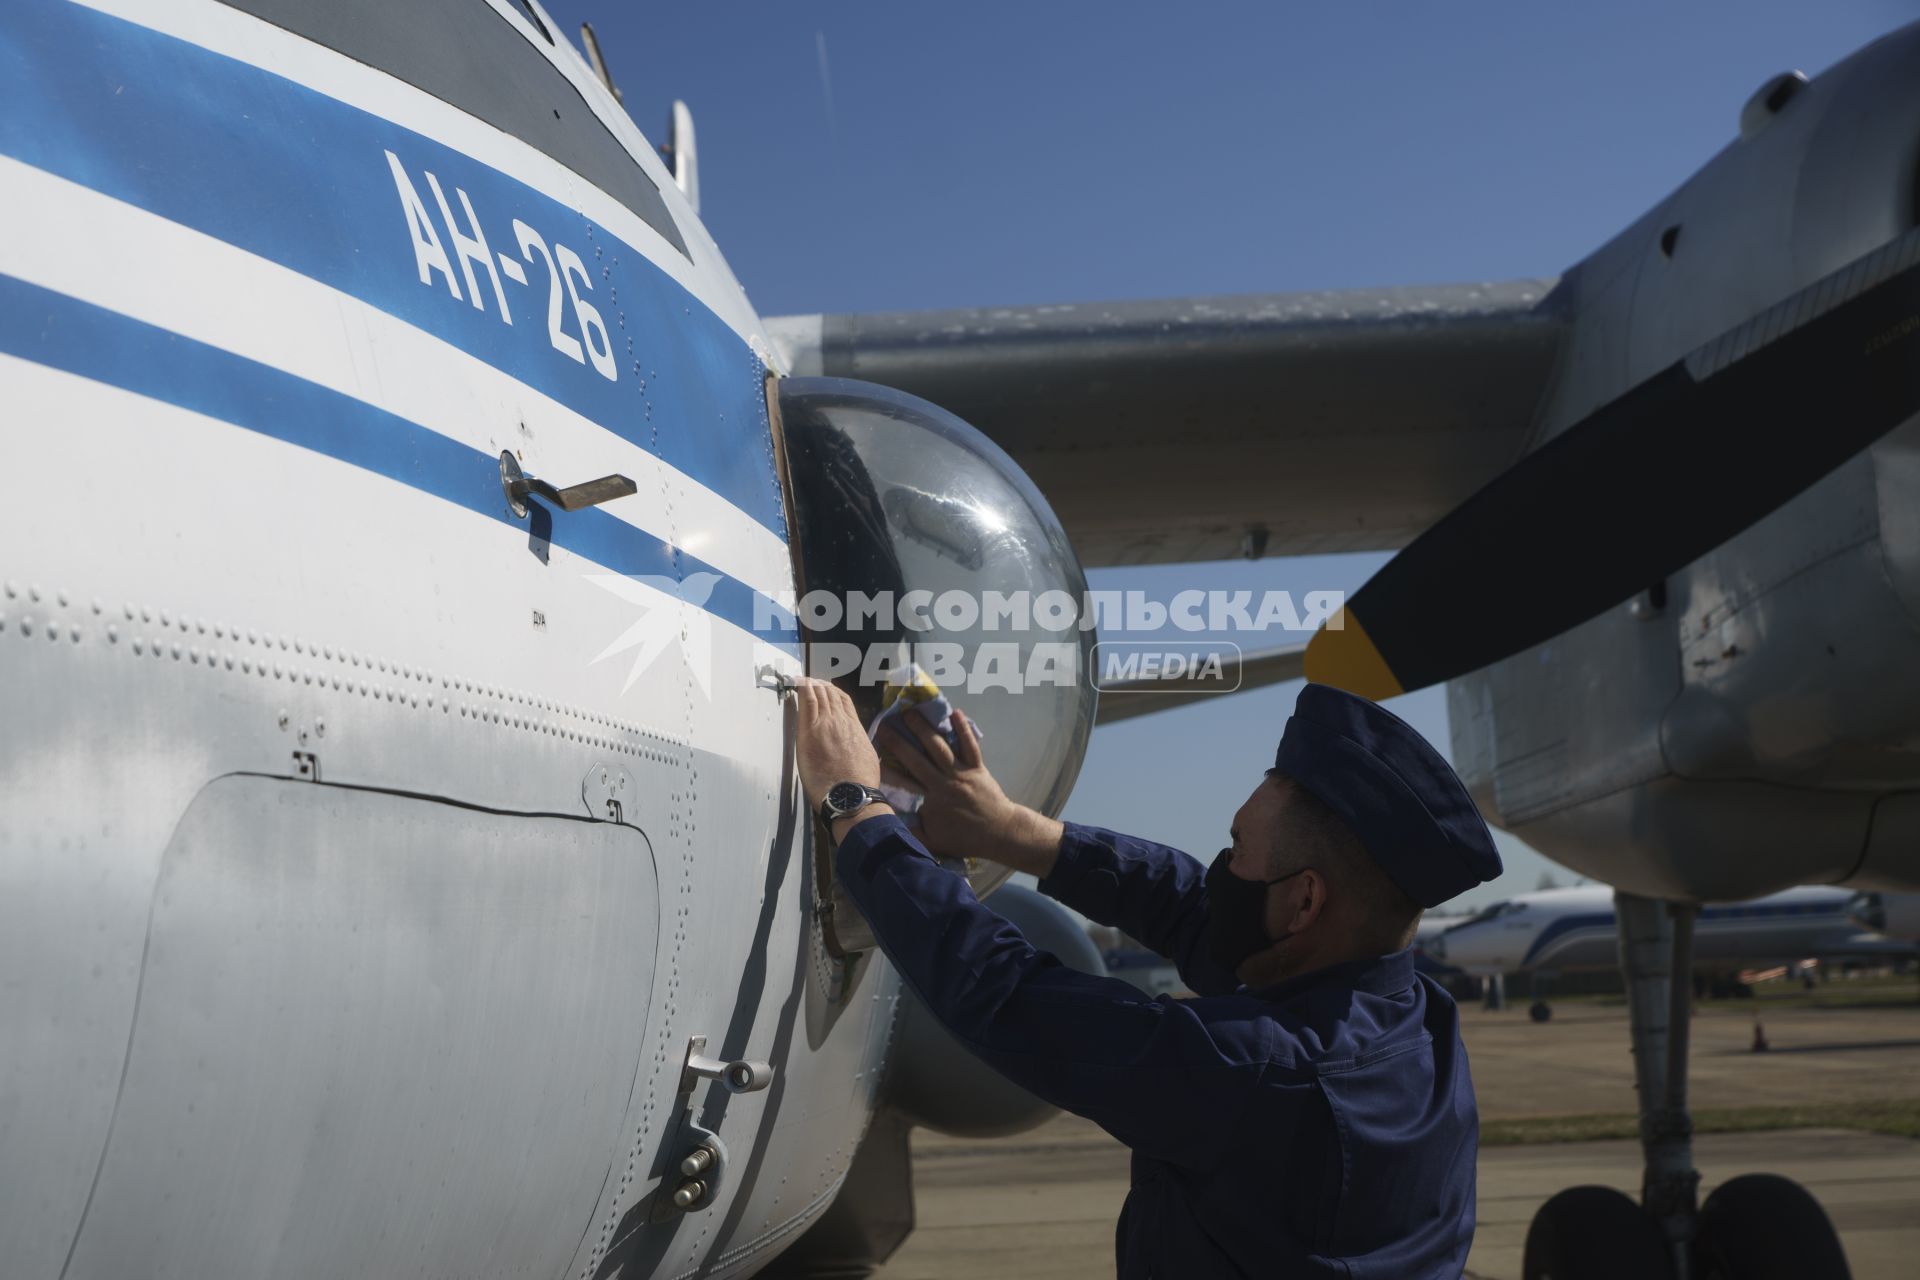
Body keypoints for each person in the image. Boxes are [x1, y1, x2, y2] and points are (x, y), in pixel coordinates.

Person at [794, 676, 1503, 1279]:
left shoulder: (1261, 1073)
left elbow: (1003, 991)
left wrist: (856, 808)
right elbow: (1187, 907)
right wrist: (1008, 828)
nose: (1222, 872)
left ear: (1305, 900)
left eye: (1237, 851)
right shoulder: (1413, 1017)